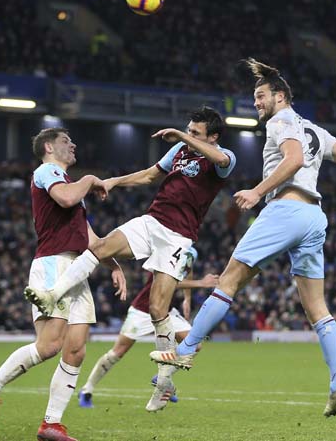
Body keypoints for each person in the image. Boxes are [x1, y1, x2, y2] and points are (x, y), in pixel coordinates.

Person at [151, 58, 336, 418]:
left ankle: (186, 350)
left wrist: (257, 192)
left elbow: (294, 160)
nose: (256, 103)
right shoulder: (317, 130)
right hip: (314, 218)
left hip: (284, 211)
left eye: (260, 96)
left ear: (281, 96)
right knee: (317, 309)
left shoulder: (281, 121)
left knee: (229, 280)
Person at [25, 106, 236, 412]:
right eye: (187, 130)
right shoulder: (179, 150)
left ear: (213, 137)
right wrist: (113, 181)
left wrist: (180, 136)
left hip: (179, 237)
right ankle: (53, 293)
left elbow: (220, 159)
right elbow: (151, 175)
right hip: (152, 221)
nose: (189, 137)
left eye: (195, 133)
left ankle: (164, 386)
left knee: (158, 310)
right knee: (100, 248)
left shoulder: (223, 157)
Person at [0, 128, 126, 441]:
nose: (74, 144)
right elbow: (66, 199)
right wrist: (91, 179)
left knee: (76, 349)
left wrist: (114, 265)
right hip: (54, 265)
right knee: (50, 346)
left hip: (77, 269)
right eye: (67, 140)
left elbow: (90, 237)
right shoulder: (47, 171)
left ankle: (51, 424)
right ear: (48, 146)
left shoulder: (68, 182)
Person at [77, 247, 218, 409]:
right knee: (118, 352)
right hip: (143, 310)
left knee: (195, 343)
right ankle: (87, 390)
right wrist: (201, 283)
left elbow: (188, 270)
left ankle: (162, 378)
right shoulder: (165, 252)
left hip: (167, 310)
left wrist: (187, 298)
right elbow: (168, 282)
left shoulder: (189, 251)